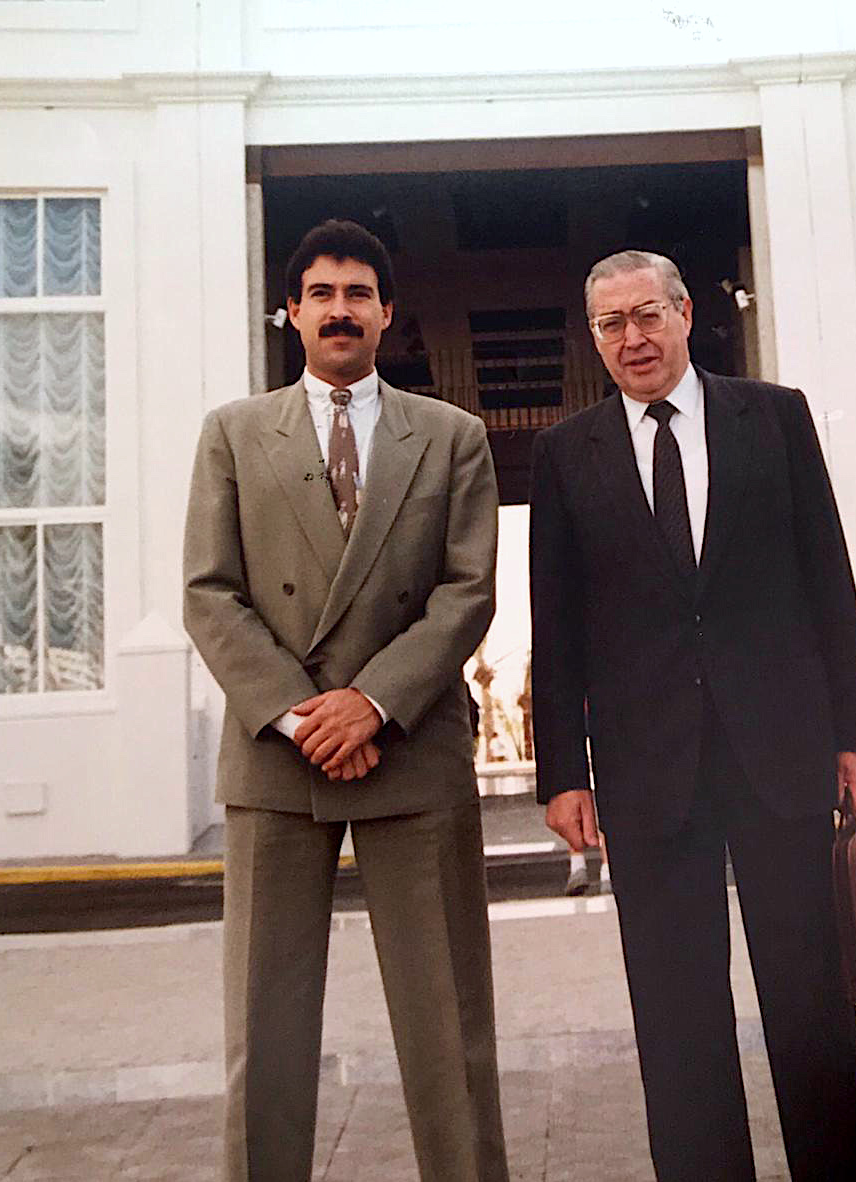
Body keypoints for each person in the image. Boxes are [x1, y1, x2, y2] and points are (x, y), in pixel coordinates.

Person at [529, 250, 856, 1181]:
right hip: (649, 772)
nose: (633, 338)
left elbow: (828, 577)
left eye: (648, 315)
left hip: (781, 749)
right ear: (595, 338)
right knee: (677, 1013)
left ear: (687, 314)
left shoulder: (773, 417)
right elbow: (557, 627)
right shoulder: (567, 456)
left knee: (810, 999)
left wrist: (854, 734)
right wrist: (563, 770)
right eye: (611, 324)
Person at [183, 219, 508, 1182]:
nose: (339, 309)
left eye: (357, 293)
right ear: (290, 313)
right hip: (279, 758)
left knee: (448, 1024)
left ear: (387, 314)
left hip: (410, 748)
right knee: (265, 1029)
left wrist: (371, 703)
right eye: (320, 294)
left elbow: (467, 591)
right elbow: (209, 592)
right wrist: (304, 713)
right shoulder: (234, 434)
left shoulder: (452, 437)